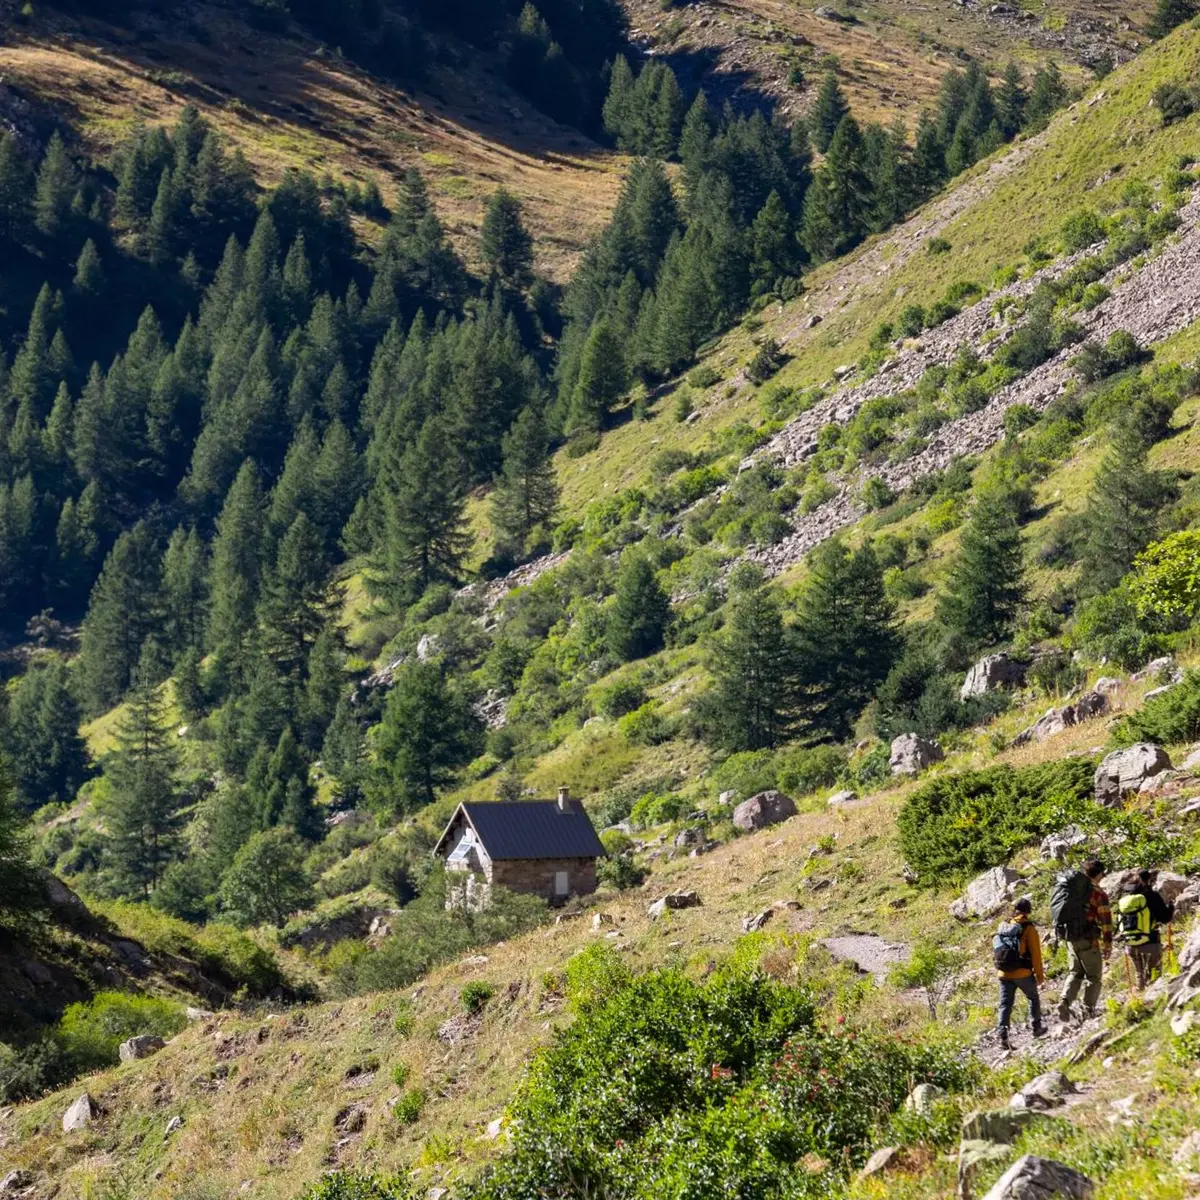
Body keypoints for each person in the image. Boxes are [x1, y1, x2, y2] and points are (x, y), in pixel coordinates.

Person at [1054, 858, 1113, 1024]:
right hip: (1089, 939)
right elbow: (1105, 921)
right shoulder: (1098, 893)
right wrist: (1108, 944)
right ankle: (1088, 1010)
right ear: (1099, 874)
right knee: (1093, 976)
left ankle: (1064, 1002)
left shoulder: (1072, 890)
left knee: (1075, 972)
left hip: (1070, 937)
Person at [994, 896, 1047, 1050]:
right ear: (1027, 912)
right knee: (1033, 997)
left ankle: (1003, 1035)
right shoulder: (1028, 928)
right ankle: (1036, 1027)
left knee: (1005, 1004)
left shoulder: (1004, 926)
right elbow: (1036, 955)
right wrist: (1040, 976)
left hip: (1003, 973)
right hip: (1022, 972)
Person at [1117, 869, 1175, 990]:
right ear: (1149, 880)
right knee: (1154, 976)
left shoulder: (1126, 897)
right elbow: (1165, 918)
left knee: (1140, 975)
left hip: (1131, 943)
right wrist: (1171, 907)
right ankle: (1153, 1001)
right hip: (1150, 941)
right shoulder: (1151, 895)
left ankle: (1140, 998)